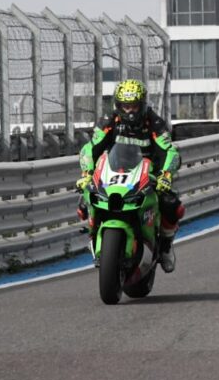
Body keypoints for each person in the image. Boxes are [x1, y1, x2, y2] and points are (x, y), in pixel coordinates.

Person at [75, 79, 183, 273]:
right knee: (85, 199)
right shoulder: (109, 121)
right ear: (118, 105)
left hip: (148, 174)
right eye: (125, 106)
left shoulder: (155, 122)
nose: (130, 111)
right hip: (114, 172)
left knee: (172, 204)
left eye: (134, 106)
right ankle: (93, 234)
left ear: (142, 104)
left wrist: (165, 176)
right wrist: (87, 173)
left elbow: (170, 151)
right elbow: (90, 149)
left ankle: (165, 246)